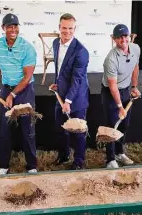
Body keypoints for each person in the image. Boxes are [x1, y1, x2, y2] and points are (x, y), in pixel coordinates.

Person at [0, 13, 37, 175]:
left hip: (24, 90)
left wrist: (12, 95)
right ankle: (3, 166)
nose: (13, 29)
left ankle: (31, 167)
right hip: (6, 88)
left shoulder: (27, 48)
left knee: (27, 129)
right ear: (3, 28)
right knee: (5, 129)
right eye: (9, 26)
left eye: (16, 26)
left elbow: (27, 76)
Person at [49, 13, 89, 170]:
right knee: (60, 129)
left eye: (70, 28)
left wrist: (68, 101)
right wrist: (56, 83)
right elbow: (60, 68)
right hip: (60, 95)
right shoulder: (55, 43)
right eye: (64, 28)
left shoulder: (81, 51)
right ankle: (64, 155)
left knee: (78, 132)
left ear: (75, 28)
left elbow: (77, 79)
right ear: (59, 28)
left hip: (76, 98)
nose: (67, 31)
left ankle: (78, 161)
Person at [101, 24, 141, 168]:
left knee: (124, 124)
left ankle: (119, 152)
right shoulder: (111, 59)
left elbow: (135, 67)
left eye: (125, 36)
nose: (123, 40)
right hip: (110, 92)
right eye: (119, 37)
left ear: (129, 36)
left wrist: (134, 87)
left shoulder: (135, 49)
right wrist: (119, 106)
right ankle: (110, 160)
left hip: (125, 89)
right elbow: (112, 86)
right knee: (112, 126)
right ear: (114, 39)